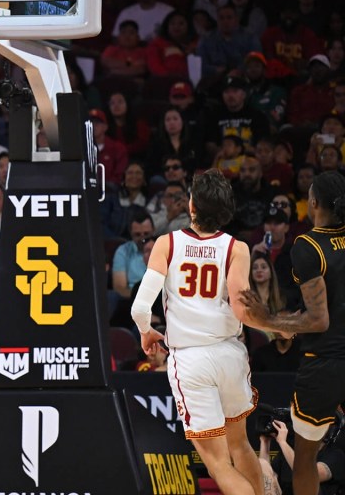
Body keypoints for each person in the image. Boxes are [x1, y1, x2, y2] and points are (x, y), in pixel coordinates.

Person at [130, 169, 263, 495]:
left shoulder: (167, 244)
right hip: (230, 353)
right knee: (241, 445)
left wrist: (146, 332)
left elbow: (139, 308)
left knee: (218, 463)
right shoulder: (237, 248)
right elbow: (242, 309)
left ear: (192, 206)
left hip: (192, 360)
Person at [240, 171, 345, 495]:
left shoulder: (308, 245)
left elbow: (318, 320)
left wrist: (268, 319)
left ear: (313, 203)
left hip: (327, 361)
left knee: (305, 458)